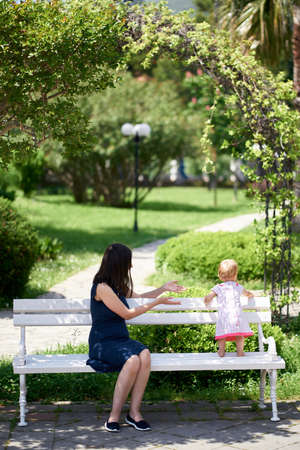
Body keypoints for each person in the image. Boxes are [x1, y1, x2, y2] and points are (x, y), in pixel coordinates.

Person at [86, 243, 185, 433]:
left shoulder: (117, 286)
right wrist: (157, 303)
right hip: (103, 342)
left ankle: (134, 413)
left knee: (145, 354)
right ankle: (113, 417)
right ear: (118, 264)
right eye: (128, 263)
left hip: (120, 340)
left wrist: (163, 289)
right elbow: (127, 314)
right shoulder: (102, 288)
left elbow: (139, 297)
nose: (130, 267)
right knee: (132, 361)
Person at [204, 259, 254, 358]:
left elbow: (209, 296)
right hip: (237, 316)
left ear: (219, 275)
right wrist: (250, 294)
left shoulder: (218, 287)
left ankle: (221, 351)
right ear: (235, 275)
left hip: (224, 317)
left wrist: (207, 299)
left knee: (222, 336)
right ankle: (240, 352)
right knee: (239, 335)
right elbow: (247, 293)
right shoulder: (237, 286)